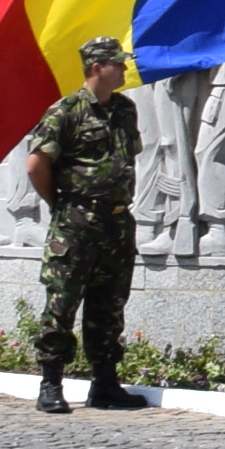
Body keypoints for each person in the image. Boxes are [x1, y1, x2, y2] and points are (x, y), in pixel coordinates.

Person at [27, 36, 151, 416]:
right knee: (62, 303)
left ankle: (105, 383)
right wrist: (62, 206)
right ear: (97, 67)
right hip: (76, 223)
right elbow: (36, 165)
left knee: (109, 305)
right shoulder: (66, 111)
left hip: (116, 223)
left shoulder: (124, 110)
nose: (125, 68)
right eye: (118, 63)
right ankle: (51, 383)